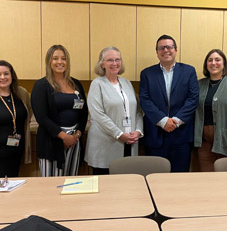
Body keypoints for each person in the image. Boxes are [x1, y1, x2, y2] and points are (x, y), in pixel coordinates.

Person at [139, 34, 199, 172]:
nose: (166, 50)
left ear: (176, 50)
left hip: (181, 136)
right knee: (155, 178)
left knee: (179, 178)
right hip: (155, 136)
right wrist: (163, 120)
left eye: (169, 47)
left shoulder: (189, 71)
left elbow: (193, 98)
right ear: (157, 52)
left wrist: (176, 120)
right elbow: (145, 100)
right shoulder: (147, 74)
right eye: (161, 48)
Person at [85, 47, 143, 175]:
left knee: (126, 186)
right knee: (106, 188)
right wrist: (119, 134)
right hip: (105, 145)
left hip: (130, 143)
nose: (114, 63)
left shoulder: (127, 83)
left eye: (117, 59)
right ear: (102, 63)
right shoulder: (97, 84)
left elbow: (138, 111)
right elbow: (98, 115)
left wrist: (138, 131)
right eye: (110, 60)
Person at [31, 44, 88, 177]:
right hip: (52, 141)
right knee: (52, 187)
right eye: (55, 58)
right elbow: (42, 117)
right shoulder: (41, 86)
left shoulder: (76, 84)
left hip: (74, 140)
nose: (60, 62)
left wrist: (77, 135)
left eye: (63, 58)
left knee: (71, 183)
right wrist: (64, 136)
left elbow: (84, 112)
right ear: (49, 61)